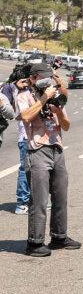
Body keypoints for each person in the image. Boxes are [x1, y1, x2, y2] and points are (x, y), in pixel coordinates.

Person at [16, 62, 75, 257]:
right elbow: (25, 116)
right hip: (37, 150)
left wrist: (59, 112)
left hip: (57, 149)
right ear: (33, 79)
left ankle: (59, 237)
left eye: (49, 78)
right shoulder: (24, 96)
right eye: (43, 78)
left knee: (60, 197)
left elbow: (66, 126)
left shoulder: (55, 96)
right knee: (39, 200)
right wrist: (44, 98)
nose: (47, 81)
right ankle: (35, 243)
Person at [1, 67, 30, 213]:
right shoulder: (9, 90)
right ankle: (22, 203)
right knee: (25, 169)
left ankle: (32, 200)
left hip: (32, 135)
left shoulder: (25, 90)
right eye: (23, 81)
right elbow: (13, 114)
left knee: (35, 170)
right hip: (25, 136)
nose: (26, 84)